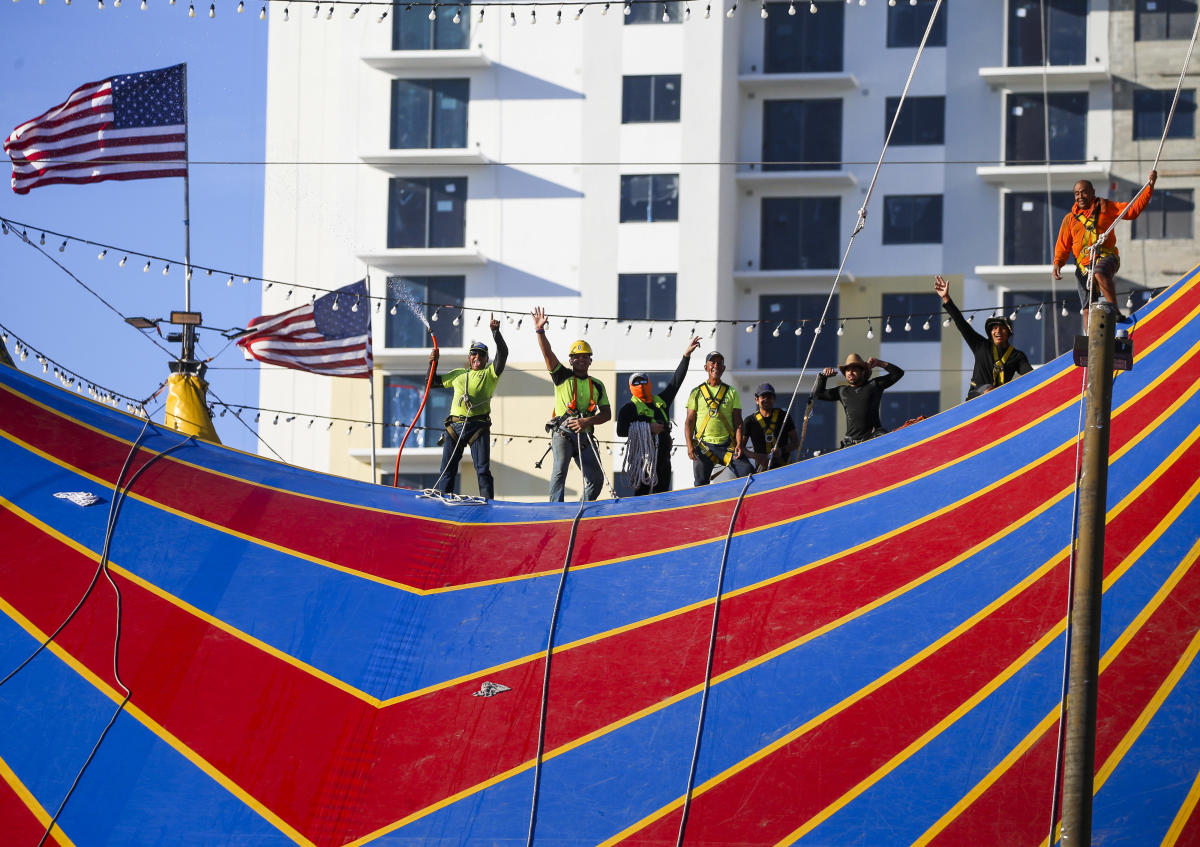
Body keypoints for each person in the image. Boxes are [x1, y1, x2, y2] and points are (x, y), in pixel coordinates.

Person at [1052, 170, 1157, 323]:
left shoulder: (1106, 208)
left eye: (1084, 192)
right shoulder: (1070, 219)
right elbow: (1063, 244)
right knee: (1088, 308)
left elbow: (1132, 211)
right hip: (1083, 266)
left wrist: (1150, 187)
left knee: (1100, 272)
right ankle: (1089, 342)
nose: (1080, 196)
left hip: (1106, 256)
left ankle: (1113, 310)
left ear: (1092, 192)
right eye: (1076, 193)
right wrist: (1058, 263)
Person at [531, 306, 612, 502]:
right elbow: (548, 354)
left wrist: (587, 422)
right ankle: (556, 510)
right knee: (560, 470)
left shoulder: (597, 385)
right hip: (564, 433)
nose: (581, 360)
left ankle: (582, 509)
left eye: (585, 357)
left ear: (590, 361)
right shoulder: (562, 376)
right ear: (571, 360)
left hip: (585, 436)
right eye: (577, 357)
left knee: (596, 479)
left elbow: (607, 414)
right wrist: (540, 331)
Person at [429, 315, 507, 499]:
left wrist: (495, 333)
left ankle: (488, 504)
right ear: (469, 358)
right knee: (447, 468)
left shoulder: (490, 373)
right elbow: (430, 382)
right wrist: (433, 362)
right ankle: (443, 500)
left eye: (481, 354)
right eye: (474, 354)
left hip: (477, 427)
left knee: (482, 470)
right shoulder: (458, 374)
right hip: (454, 426)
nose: (477, 356)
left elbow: (503, 354)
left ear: (487, 358)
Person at [616, 336, 702, 495]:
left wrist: (686, 356)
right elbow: (621, 431)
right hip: (643, 461)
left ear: (649, 383)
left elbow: (676, 381)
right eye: (636, 382)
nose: (640, 385)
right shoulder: (628, 409)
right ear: (630, 387)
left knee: (662, 495)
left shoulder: (661, 401)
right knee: (641, 497)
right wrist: (648, 428)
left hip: (664, 459)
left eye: (643, 381)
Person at [934, 275, 1033, 400]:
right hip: (977, 396)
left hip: (1001, 400)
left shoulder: (1017, 356)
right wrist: (946, 298)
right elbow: (962, 324)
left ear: (1008, 333)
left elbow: (1031, 376)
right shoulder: (981, 345)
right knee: (989, 390)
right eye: (994, 328)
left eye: (1002, 328)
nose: (997, 331)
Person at [684, 351, 753, 485]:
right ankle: (703, 505)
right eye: (712, 362)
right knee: (700, 483)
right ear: (706, 368)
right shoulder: (696, 392)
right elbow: (690, 421)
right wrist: (689, 445)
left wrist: (739, 444)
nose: (716, 365)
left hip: (728, 445)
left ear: (723, 368)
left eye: (719, 363)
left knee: (748, 472)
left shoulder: (732, 392)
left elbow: (738, 421)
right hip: (703, 445)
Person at [815, 353, 904, 448]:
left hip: (872, 439)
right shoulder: (842, 391)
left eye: (854, 369)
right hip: (851, 443)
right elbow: (819, 395)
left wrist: (879, 363)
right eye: (847, 370)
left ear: (863, 372)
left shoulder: (874, 385)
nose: (850, 372)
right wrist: (823, 377)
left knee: (883, 435)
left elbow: (898, 373)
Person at [741, 383, 799, 472]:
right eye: (763, 396)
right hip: (762, 470)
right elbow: (741, 447)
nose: (766, 399)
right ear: (756, 400)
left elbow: (795, 442)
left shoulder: (784, 416)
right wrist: (757, 456)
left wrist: (781, 451)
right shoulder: (749, 421)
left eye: (769, 397)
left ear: (774, 399)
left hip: (784, 468)